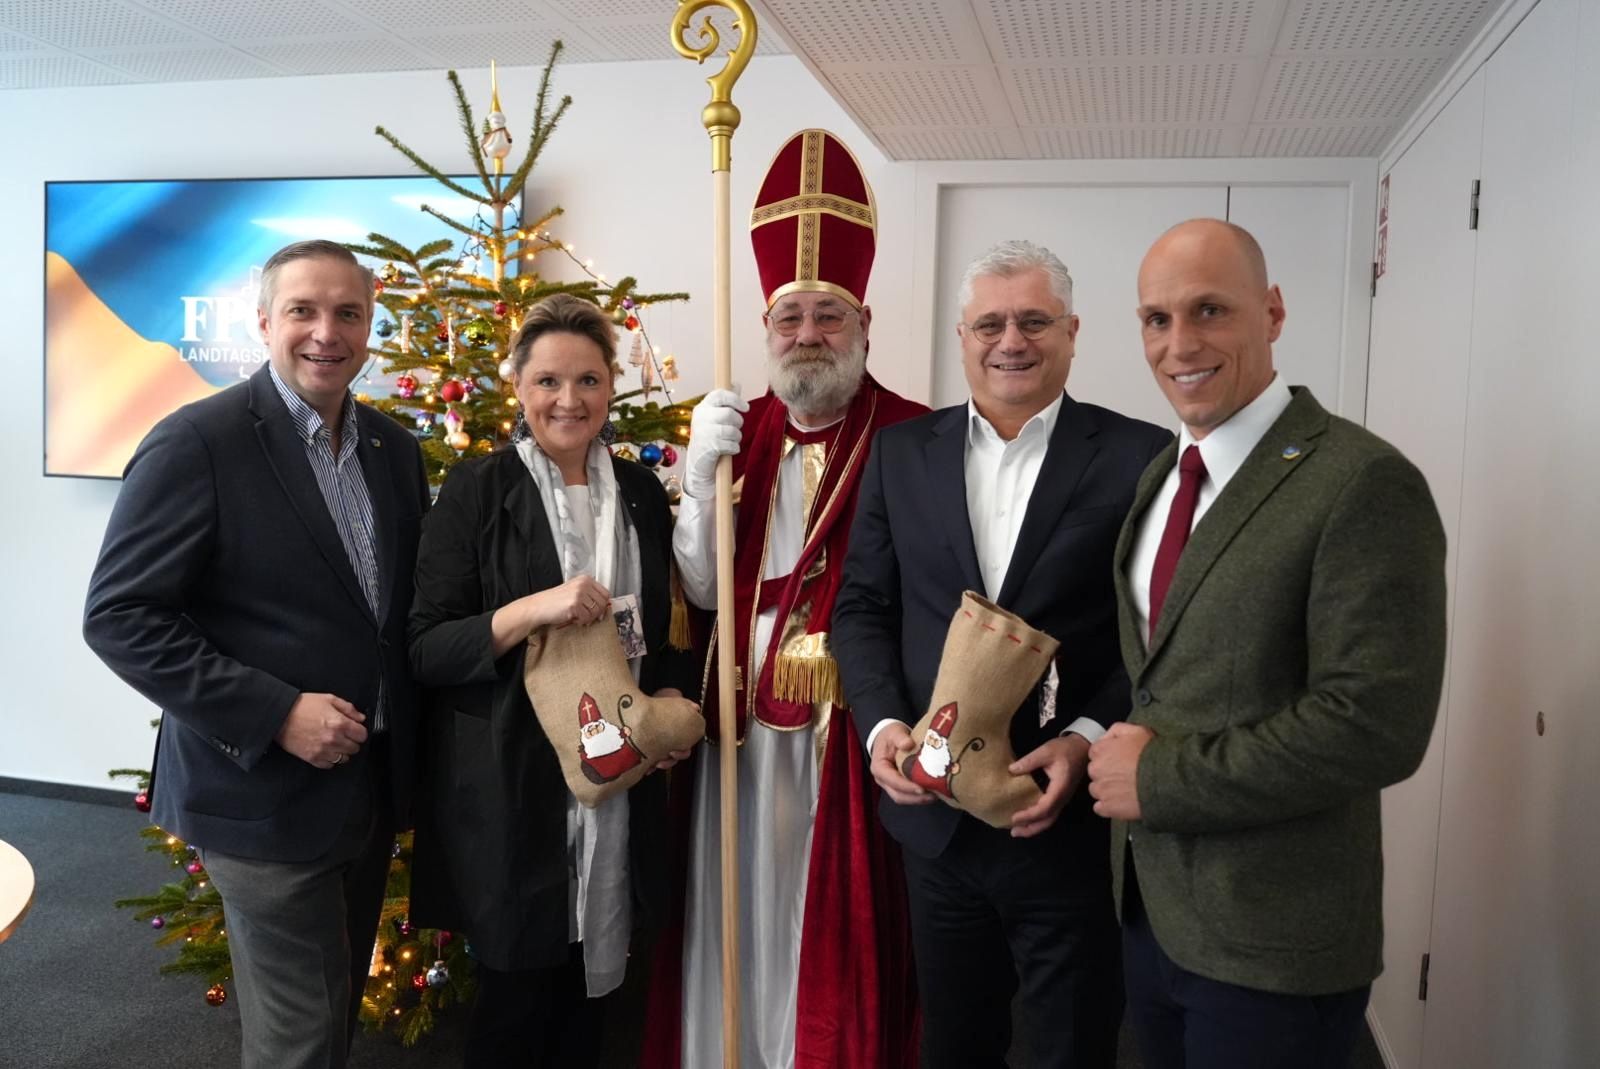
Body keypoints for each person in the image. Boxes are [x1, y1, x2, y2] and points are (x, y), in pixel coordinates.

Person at [1087, 218, 1447, 1069]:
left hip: (1275, 939)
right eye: (1156, 318)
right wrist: (1093, 750)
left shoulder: (1360, 480)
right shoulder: (1164, 475)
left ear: (1273, 312)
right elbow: (1165, 683)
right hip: (1151, 911)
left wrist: (1160, 776)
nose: (1181, 344)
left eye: (1209, 309)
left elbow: (1376, 723)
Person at [82, 239, 430, 1069]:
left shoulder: (392, 448)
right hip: (261, 796)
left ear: (370, 322)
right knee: (299, 1037)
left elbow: (391, 617)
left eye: (348, 312)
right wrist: (275, 711)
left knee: (332, 1006)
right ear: (265, 320)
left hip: (367, 789)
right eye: (304, 310)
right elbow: (119, 615)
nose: (326, 332)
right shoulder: (197, 442)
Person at [833, 239, 1171, 1068]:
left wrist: (1089, 734)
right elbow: (862, 607)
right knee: (954, 1041)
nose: (1009, 340)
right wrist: (880, 728)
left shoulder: (1139, 456)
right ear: (962, 335)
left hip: (1065, 816)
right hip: (935, 823)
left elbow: (1161, 633)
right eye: (990, 322)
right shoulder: (901, 453)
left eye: (1032, 320)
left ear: (1072, 332)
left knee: (1072, 1044)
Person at [649, 128, 926, 1069]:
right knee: (738, 896)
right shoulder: (739, 430)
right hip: (739, 725)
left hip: (848, 730)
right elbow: (695, 587)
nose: (806, 334)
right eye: (789, 317)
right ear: (765, 330)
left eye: (827, 316)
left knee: (834, 909)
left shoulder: (916, 436)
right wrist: (697, 481)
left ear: (864, 326)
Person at [405, 293, 697, 1068]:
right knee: (514, 1004)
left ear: (611, 386)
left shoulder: (638, 492)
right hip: (514, 782)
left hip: (619, 773)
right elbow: (429, 647)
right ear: (519, 387)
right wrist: (536, 607)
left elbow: (664, 628)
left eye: (589, 380)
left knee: (592, 1007)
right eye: (548, 381)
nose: (569, 400)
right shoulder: (477, 490)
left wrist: (667, 699)